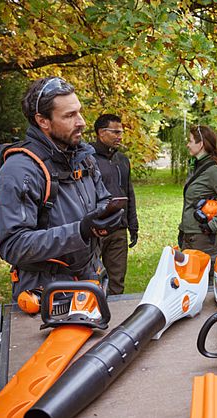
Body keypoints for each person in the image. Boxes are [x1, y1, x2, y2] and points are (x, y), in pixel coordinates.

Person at [0, 76, 123, 302]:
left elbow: (101, 198)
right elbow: (13, 245)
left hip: (90, 283)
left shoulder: (83, 158)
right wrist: (81, 231)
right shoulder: (19, 171)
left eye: (79, 112)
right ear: (43, 121)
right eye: (69, 116)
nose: (81, 121)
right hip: (46, 295)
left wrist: (104, 216)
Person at [92, 114, 139, 295]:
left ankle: (116, 317)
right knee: (91, 279)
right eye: (115, 132)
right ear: (101, 132)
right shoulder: (87, 158)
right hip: (95, 229)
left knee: (117, 281)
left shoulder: (123, 160)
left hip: (119, 228)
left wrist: (133, 225)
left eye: (121, 132)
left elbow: (129, 193)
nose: (120, 136)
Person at [179, 125, 217, 270]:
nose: (187, 144)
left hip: (204, 239)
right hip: (191, 236)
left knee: (206, 285)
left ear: (201, 144)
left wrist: (212, 225)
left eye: (191, 141)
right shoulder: (197, 167)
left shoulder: (213, 171)